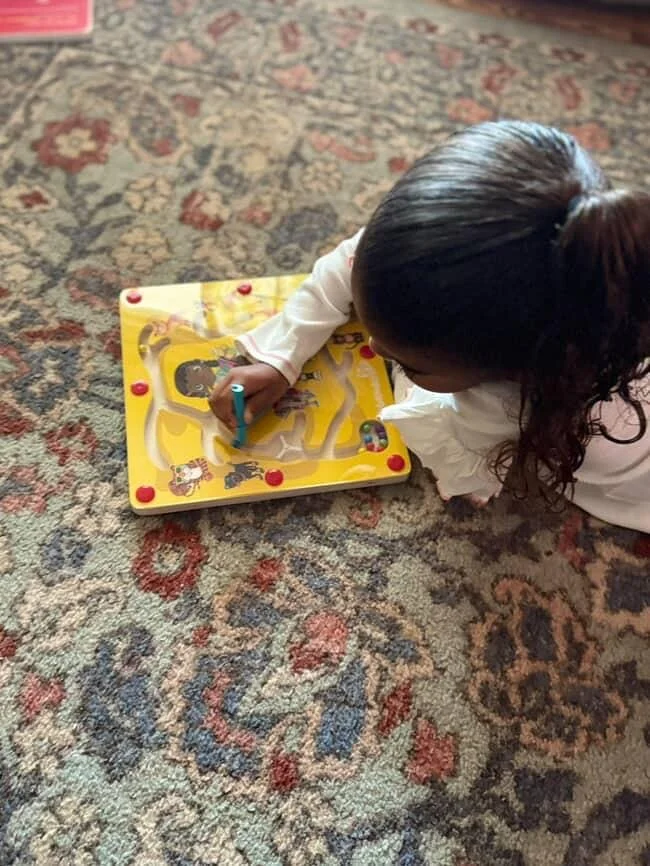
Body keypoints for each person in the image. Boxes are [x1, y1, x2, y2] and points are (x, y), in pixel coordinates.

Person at [209, 121, 650, 532]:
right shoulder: (465, 247)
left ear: (512, 372)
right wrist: (281, 356)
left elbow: (460, 464)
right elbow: (352, 260)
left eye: (410, 364)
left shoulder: (527, 410)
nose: (375, 349)